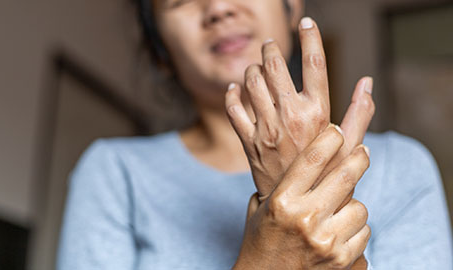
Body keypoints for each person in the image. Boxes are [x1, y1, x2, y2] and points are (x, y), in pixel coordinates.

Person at [56, 0, 453, 269]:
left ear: (291, 5)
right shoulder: (114, 171)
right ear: (161, 52)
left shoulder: (402, 166)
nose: (218, 8)